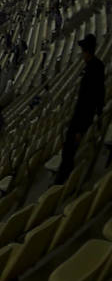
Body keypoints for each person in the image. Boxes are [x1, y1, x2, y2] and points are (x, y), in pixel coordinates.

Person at [57, 34, 106, 183]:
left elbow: (86, 101)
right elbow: (101, 93)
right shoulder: (99, 65)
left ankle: (62, 180)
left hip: (81, 119)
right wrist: (99, 112)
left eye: (83, 50)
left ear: (87, 52)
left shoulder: (91, 71)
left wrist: (79, 128)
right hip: (88, 115)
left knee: (68, 151)